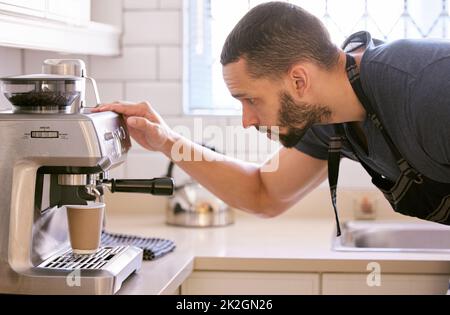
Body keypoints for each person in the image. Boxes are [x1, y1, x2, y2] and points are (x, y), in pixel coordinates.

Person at [93, 2, 450, 233]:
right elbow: (264, 194)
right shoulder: (326, 118)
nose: (247, 120)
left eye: (250, 99)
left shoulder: (428, 90)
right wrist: (166, 141)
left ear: (298, 80)